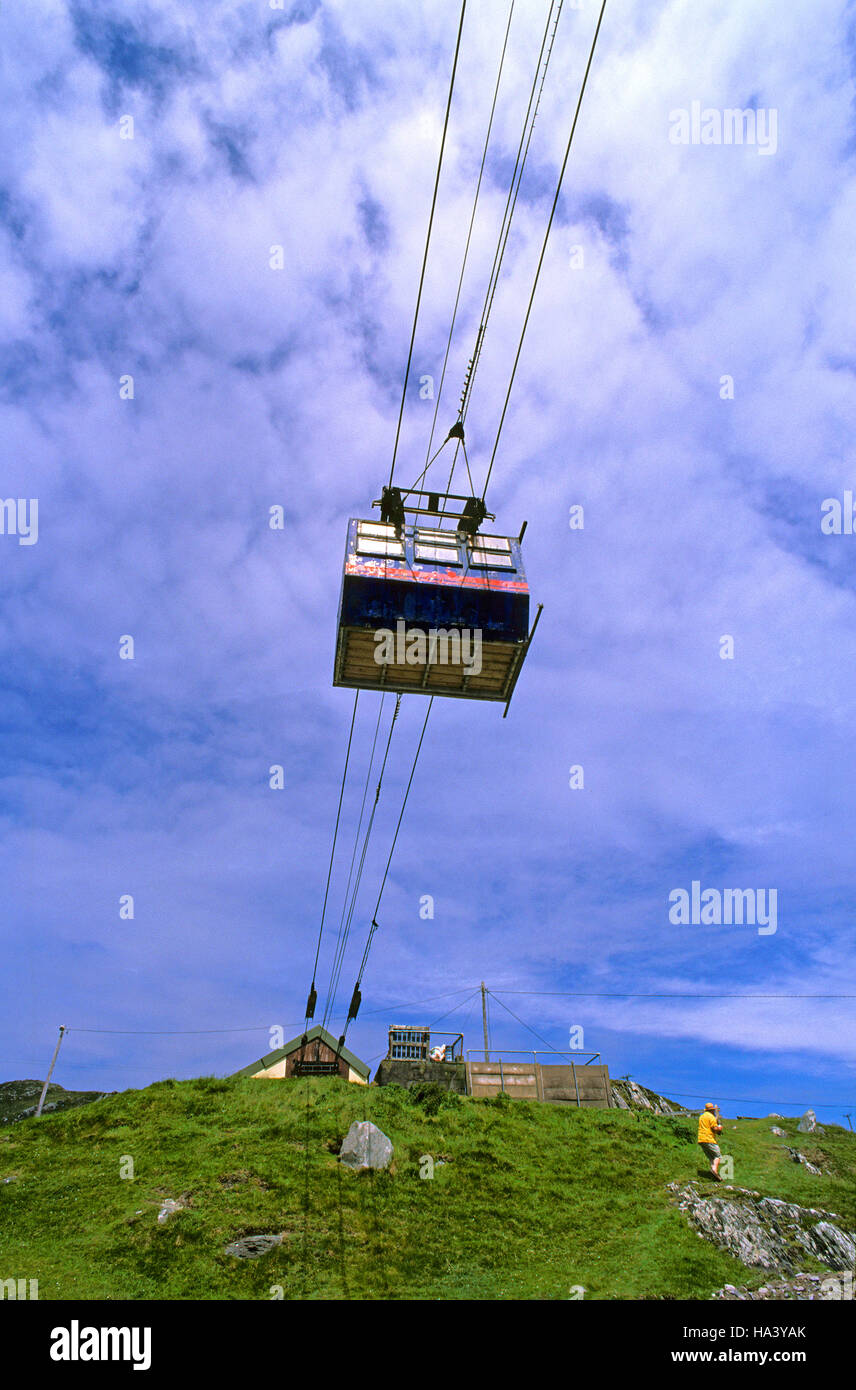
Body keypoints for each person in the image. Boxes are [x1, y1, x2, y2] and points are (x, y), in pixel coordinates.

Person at [698, 1102, 723, 1179]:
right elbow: (714, 1128)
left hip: (701, 1139)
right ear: (712, 1110)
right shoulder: (711, 1117)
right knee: (717, 1155)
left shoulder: (701, 1117)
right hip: (709, 1138)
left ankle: (713, 1174)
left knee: (712, 1157)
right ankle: (714, 1170)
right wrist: (720, 1128)